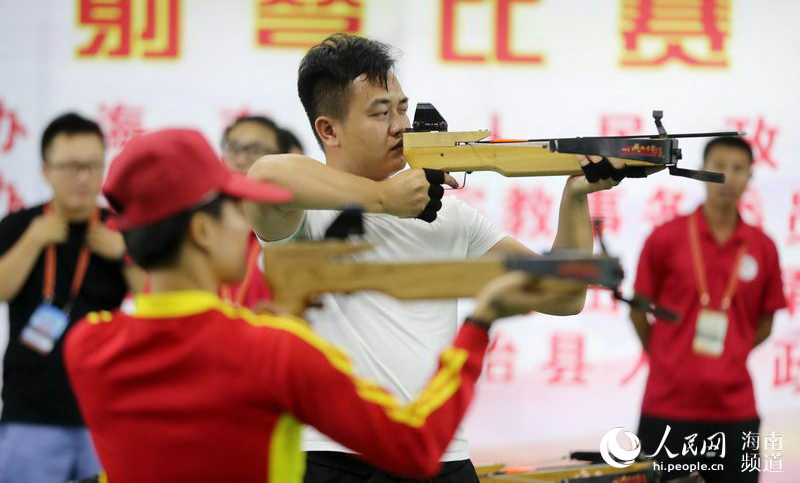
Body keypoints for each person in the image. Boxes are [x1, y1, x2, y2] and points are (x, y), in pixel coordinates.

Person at [64, 128, 574, 483]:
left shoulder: (87, 345)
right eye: (232, 208)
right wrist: (481, 323)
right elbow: (415, 448)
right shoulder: (272, 352)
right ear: (200, 230)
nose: (245, 223)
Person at [245, 33, 623, 482]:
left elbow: (563, 296)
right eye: (380, 113)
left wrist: (576, 197)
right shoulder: (303, 212)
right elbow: (265, 173)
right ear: (329, 130)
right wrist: (382, 197)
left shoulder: (449, 214)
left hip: (439, 456)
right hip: (334, 456)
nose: (399, 126)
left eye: (402, 108)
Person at [630, 137, 786, 482]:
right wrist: (663, 355)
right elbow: (637, 309)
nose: (727, 177)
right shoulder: (665, 237)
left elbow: (766, 322)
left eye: (737, 169)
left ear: (750, 177)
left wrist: (734, 352)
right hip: (666, 408)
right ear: (701, 172)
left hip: (736, 412)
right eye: (718, 166)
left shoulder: (763, 247)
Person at [0, 113, 139, 483]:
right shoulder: (18, 225)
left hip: (104, 412)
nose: (83, 177)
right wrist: (34, 240)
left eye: (93, 165)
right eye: (70, 166)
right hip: (31, 411)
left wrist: (124, 252)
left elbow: (151, 294)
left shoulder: (120, 229)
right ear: (46, 170)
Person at [219, 116, 289, 308]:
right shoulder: (200, 227)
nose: (241, 160)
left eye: (256, 150)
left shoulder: (294, 229)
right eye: (233, 148)